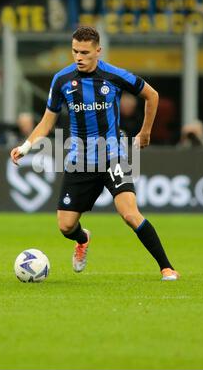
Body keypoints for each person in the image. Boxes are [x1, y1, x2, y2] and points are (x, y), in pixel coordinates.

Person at [11, 26, 180, 281]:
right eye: (75, 51)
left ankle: (166, 267)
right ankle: (83, 239)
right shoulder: (62, 80)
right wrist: (25, 147)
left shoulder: (114, 76)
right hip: (79, 162)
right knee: (66, 226)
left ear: (98, 51)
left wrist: (145, 132)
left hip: (113, 156)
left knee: (130, 214)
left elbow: (152, 95)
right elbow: (47, 122)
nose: (78, 56)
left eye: (85, 52)